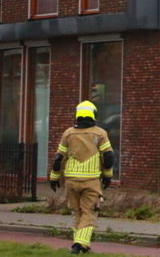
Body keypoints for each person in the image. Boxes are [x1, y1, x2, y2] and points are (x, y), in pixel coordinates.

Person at [49, 100, 115, 254]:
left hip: (71, 179)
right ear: (94, 115)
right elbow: (109, 156)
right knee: (89, 212)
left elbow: (59, 157)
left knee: (76, 211)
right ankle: (79, 243)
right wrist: (107, 175)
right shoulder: (100, 133)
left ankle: (81, 244)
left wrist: (54, 177)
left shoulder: (68, 133)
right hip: (90, 180)